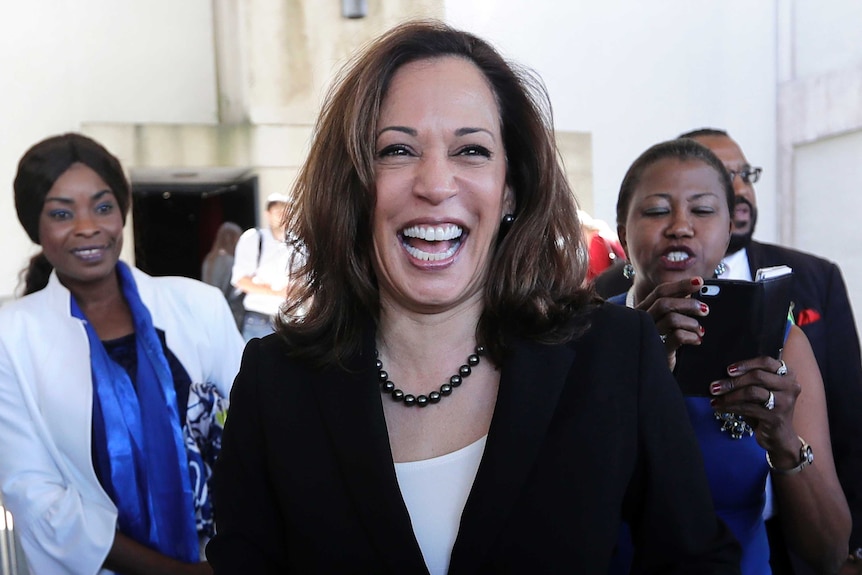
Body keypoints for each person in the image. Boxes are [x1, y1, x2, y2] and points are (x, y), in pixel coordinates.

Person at [206, 20, 741, 574]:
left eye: (471, 150)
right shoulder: (275, 384)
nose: (435, 185)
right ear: (356, 185)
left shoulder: (612, 356)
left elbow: (697, 561)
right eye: (396, 150)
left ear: (511, 187)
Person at [0, 133, 244, 575]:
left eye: (103, 206)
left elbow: (260, 432)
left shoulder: (198, 305)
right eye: (61, 213)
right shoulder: (11, 338)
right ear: (35, 226)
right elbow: (33, 493)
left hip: (226, 558)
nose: (87, 226)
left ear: (122, 214)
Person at [608, 137, 850, 574]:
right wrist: (642, 369)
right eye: (658, 210)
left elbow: (829, 554)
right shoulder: (581, 337)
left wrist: (782, 438)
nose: (681, 226)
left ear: (727, 229)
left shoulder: (778, 343)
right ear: (622, 230)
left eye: (702, 210)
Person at [678, 128, 862, 575]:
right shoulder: (616, 299)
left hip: (798, 540)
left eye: (746, 174)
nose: (740, 189)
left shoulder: (816, 277)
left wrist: (854, 550)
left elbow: (850, 419)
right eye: (724, 176)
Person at [231, 193, 299, 342]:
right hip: (258, 319)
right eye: (277, 211)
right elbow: (240, 280)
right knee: (256, 363)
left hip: (289, 319)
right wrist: (275, 292)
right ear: (267, 214)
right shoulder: (254, 238)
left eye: (287, 211)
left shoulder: (298, 244)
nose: (282, 216)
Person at [202, 221, 244, 329]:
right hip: (228, 314)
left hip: (211, 311)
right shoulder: (229, 261)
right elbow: (228, 291)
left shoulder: (210, 258)